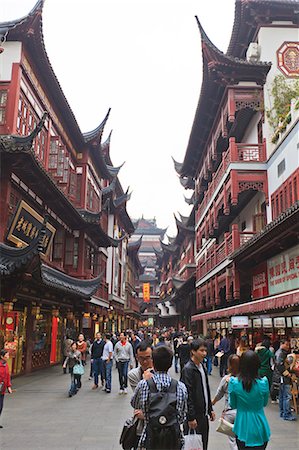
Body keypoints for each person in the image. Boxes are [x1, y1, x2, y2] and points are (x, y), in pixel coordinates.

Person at [131, 345, 187, 450]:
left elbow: (134, 404)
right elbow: (182, 415)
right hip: (173, 439)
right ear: (170, 364)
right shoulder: (180, 387)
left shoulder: (144, 384)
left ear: (153, 362)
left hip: (150, 437)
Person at [228, 350, 271, 450]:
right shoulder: (264, 382)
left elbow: (233, 404)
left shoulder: (234, 383)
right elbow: (264, 403)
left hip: (242, 426)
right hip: (260, 426)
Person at [181, 338, 215, 450]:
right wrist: (190, 417)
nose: (204, 353)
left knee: (203, 444)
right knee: (194, 446)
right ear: (193, 351)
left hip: (203, 415)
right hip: (194, 416)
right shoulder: (188, 369)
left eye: (205, 350)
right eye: (201, 350)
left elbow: (206, 389)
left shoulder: (202, 367)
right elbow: (188, 394)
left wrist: (210, 409)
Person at [128, 340, 154, 449]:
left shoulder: (161, 372)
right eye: (141, 358)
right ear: (136, 357)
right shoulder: (133, 375)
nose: (144, 362)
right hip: (140, 426)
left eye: (147, 358)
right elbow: (138, 402)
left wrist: (147, 414)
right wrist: (145, 381)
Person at [212, 354, 240, 450]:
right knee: (241, 436)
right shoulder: (244, 379)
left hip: (230, 411)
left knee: (232, 438)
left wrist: (213, 402)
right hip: (243, 411)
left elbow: (219, 393)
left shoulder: (227, 379)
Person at [273, 339, 296, 421]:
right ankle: (286, 413)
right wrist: (288, 374)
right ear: (282, 344)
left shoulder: (279, 352)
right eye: (286, 344)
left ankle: (283, 412)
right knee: (287, 396)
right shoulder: (281, 354)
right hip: (283, 378)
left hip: (279, 377)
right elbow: (280, 366)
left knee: (282, 396)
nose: (288, 346)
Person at [0, 350, 12, 428]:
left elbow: (7, 376)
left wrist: (9, 386)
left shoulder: (6, 365)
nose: (8, 356)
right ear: (2, 356)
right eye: (7, 355)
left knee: (0, 406)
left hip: (2, 388)